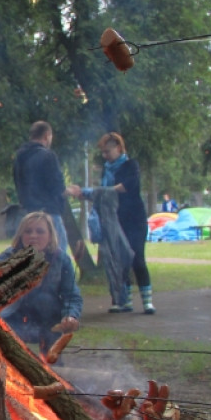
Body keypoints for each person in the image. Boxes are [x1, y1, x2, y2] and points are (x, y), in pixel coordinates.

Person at [67, 132, 154, 314]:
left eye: (108, 151)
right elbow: (102, 196)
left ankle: (147, 301)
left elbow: (123, 187)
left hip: (134, 219)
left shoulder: (131, 165)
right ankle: (124, 300)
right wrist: (81, 193)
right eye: (103, 152)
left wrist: (92, 191)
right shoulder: (106, 170)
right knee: (119, 260)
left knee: (137, 258)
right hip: (114, 220)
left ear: (119, 148)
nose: (105, 155)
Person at [0, 212, 82, 359]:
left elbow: (72, 295)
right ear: (21, 235)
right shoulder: (7, 258)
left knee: (45, 299)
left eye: (40, 231)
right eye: (28, 231)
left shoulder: (60, 259)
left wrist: (71, 315)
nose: (33, 236)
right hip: (12, 317)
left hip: (46, 318)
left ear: (50, 236)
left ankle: (51, 358)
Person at [13, 121, 69, 252]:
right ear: (47, 135)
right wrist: (71, 191)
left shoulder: (19, 157)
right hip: (49, 213)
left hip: (29, 213)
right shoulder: (48, 156)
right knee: (58, 252)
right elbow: (57, 187)